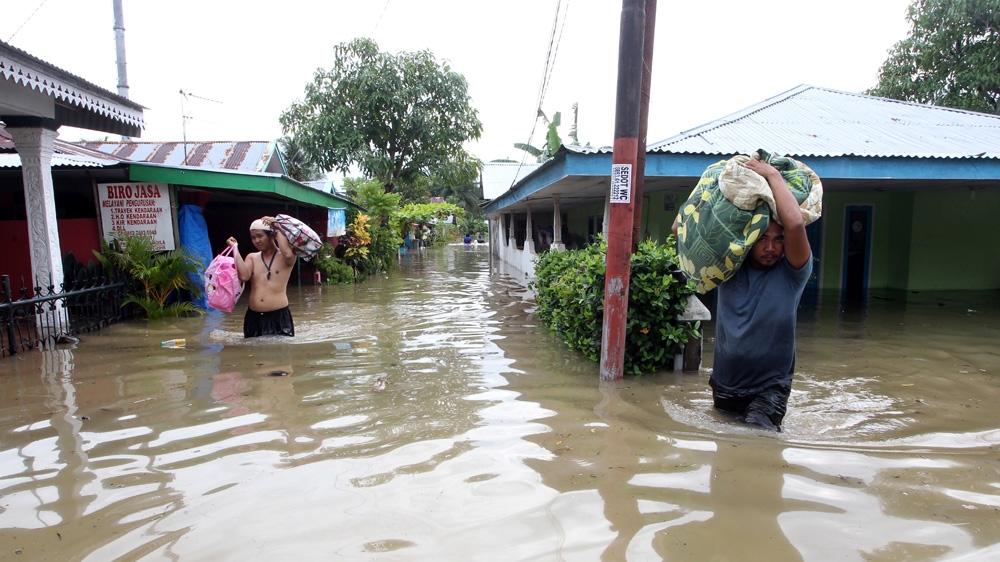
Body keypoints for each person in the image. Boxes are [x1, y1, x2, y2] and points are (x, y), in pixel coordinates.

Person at [674, 158, 812, 431]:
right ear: (748, 239)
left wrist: (771, 174)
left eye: (778, 239)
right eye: (762, 238)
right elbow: (681, 229)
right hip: (725, 383)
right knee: (726, 461)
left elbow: (795, 225)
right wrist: (716, 187)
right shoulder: (727, 267)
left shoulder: (793, 273)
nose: (771, 247)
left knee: (757, 444)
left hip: (770, 387)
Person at [226, 216, 297, 337]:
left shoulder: (286, 257)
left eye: (260, 236)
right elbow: (244, 276)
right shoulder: (252, 257)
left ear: (271, 236)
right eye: (253, 237)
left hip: (278, 315)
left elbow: (287, 253)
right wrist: (234, 249)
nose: (256, 241)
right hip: (253, 316)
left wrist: (278, 228)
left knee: (281, 352)